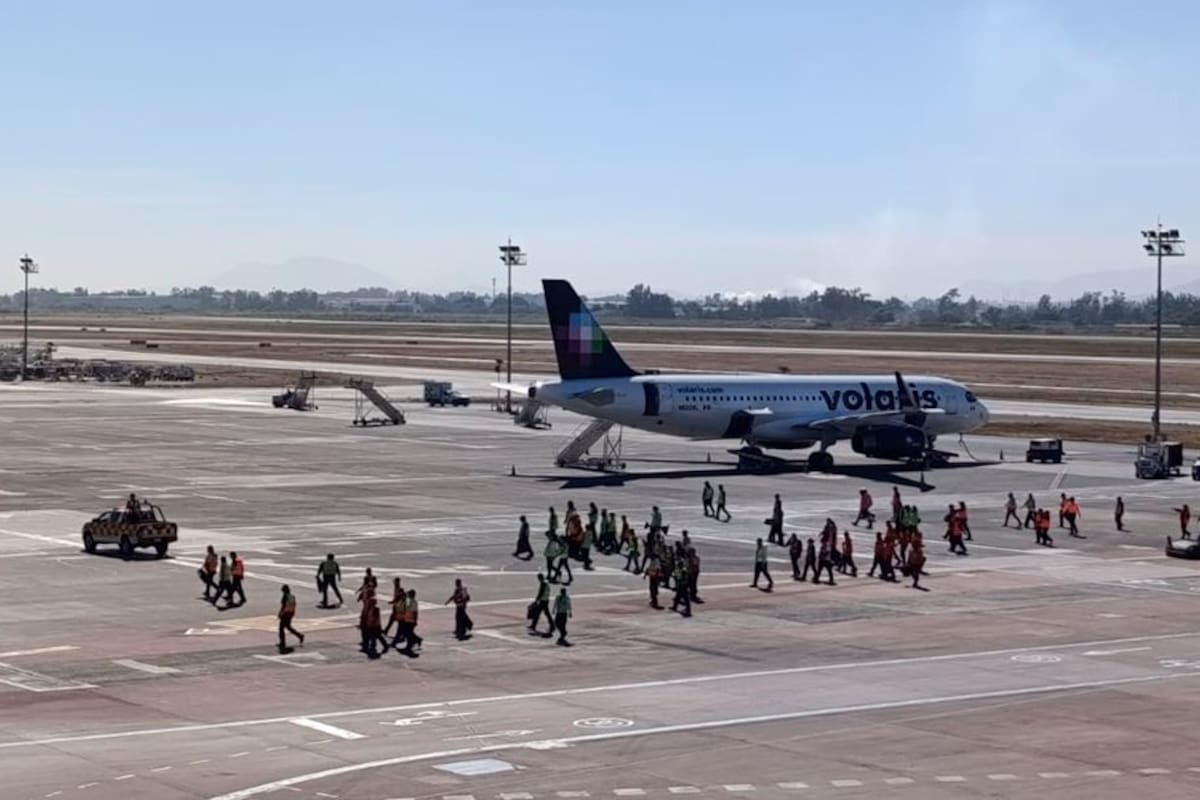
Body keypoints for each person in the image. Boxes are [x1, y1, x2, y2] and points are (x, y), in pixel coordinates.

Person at [277, 584, 304, 652]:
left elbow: (283, 606)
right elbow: (294, 604)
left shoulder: (285, 597)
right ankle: (299, 636)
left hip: (286, 614)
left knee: (281, 628)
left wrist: (280, 613)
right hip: (291, 613)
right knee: (288, 627)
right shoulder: (292, 596)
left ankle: (282, 642)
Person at [399, 589, 422, 656]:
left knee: (408, 634)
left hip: (411, 620)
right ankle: (417, 640)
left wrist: (415, 620)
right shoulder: (409, 601)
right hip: (407, 619)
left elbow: (415, 612)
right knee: (408, 633)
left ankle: (409, 646)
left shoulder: (413, 602)